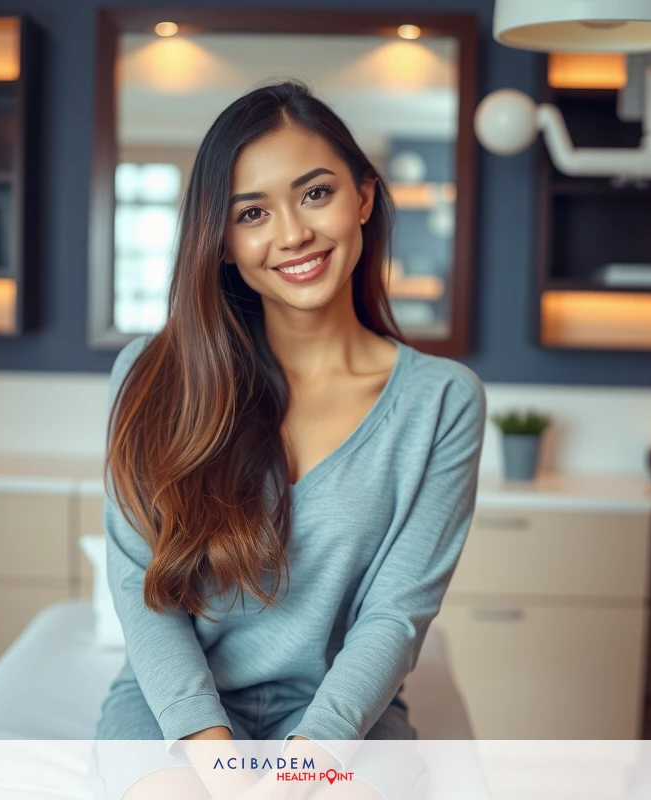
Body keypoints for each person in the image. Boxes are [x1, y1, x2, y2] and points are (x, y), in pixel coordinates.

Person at [96, 80, 487, 800]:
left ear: (362, 197)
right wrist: (223, 773)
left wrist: (295, 776)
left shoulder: (441, 400)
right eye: (252, 212)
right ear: (222, 242)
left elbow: (394, 617)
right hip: (174, 715)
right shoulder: (151, 375)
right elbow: (139, 587)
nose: (293, 234)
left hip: (342, 720)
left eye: (315, 194)